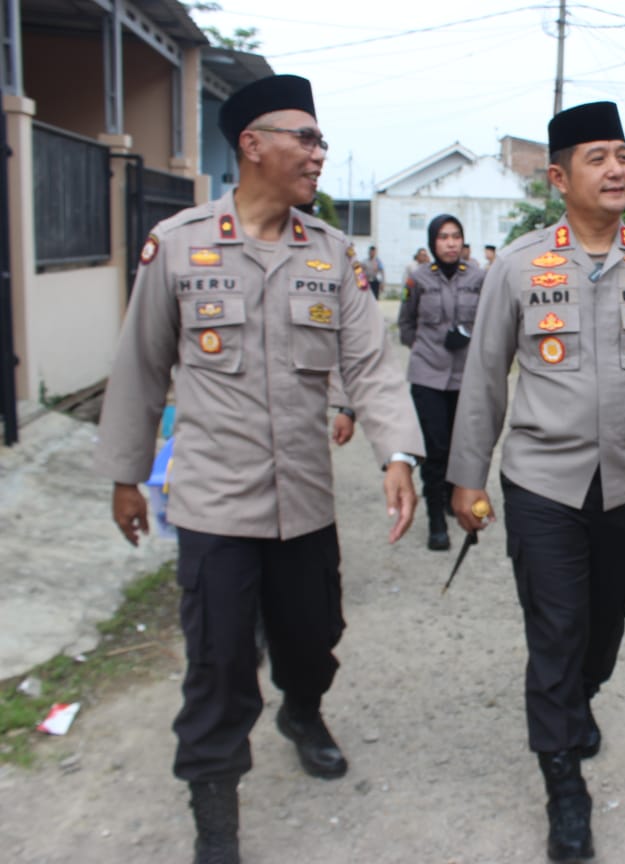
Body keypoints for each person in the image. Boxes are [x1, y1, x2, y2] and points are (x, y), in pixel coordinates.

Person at [93, 74, 424, 864]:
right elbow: (139, 369)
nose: (318, 152)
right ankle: (216, 819)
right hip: (214, 505)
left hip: (304, 503)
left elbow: (371, 365)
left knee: (315, 639)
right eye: (304, 138)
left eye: (318, 139)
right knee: (219, 666)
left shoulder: (331, 254)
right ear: (252, 145)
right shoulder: (179, 245)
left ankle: (301, 709)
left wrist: (399, 450)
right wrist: (124, 475)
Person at [446, 101, 625, 862]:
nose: (616, 170)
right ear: (560, 175)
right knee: (558, 629)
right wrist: (464, 480)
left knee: (605, 628)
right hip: (542, 484)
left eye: (622, 156)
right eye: (597, 158)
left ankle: (579, 697)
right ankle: (564, 784)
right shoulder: (519, 266)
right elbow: (484, 382)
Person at [398, 214, 485, 550]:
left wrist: (468, 337)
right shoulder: (417, 278)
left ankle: (452, 497)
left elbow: (489, 320)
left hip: (466, 377)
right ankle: (436, 520)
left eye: (456, 236)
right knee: (434, 450)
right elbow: (406, 324)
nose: (450, 243)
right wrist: (426, 350)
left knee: (459, 446)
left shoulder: (478, 277)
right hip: (428, 377)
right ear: (432, 242)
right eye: (443, 237)